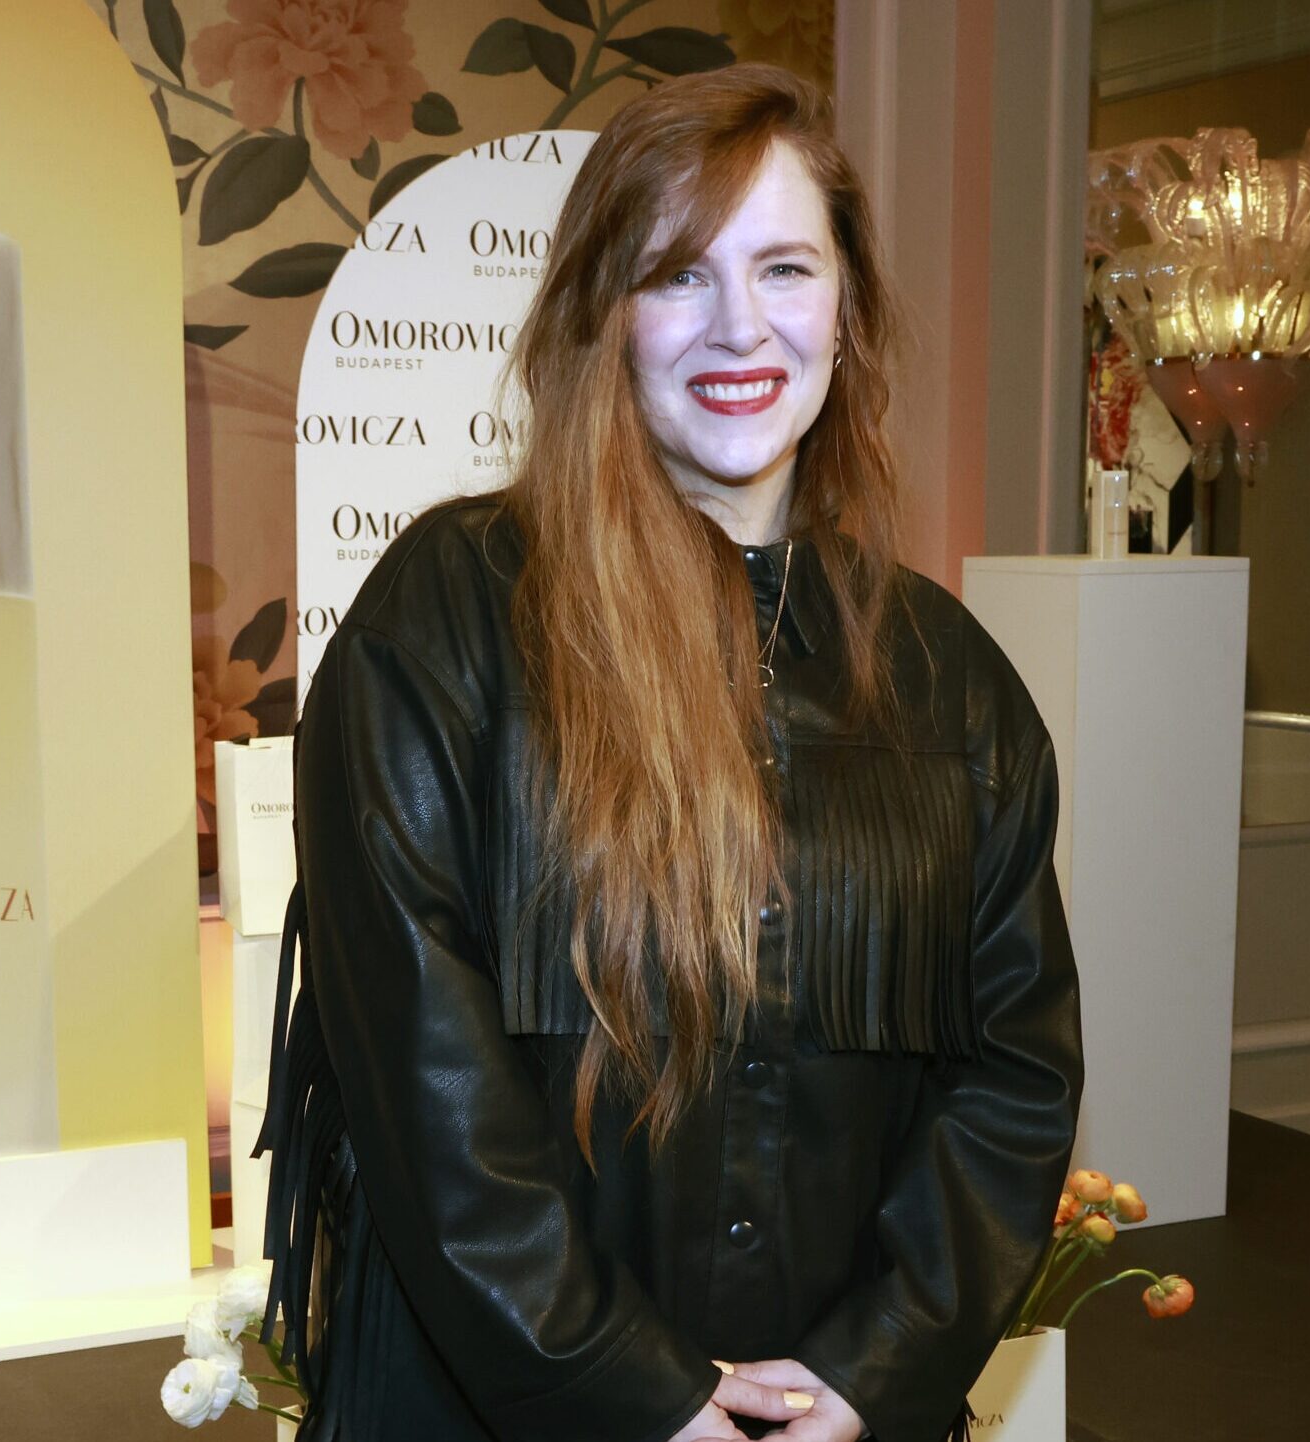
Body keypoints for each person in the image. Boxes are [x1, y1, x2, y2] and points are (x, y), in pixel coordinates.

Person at [256, 63, 1082, 1442]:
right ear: (604, 315)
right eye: (678, 274)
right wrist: (635, 1395)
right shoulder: (445, 621)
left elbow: (1016, 1074)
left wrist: (871, 1370)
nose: (739, 325)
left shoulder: (953, 682)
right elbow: (420, 1080)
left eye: (784, 269)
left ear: (847, 310)